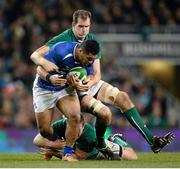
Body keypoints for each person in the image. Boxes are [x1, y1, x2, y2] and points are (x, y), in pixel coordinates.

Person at [30, 9, 174, 154]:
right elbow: (37, 56)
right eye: (80, 26)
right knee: (91, 117)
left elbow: (97, 75)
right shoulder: (62, 40)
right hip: (67, 87)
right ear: (73, 25)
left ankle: (152, 141)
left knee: (122, 97)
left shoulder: (92, 41)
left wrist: (88, 82)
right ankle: (78, 145)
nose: (84, 30)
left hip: (84, 82)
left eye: (86, 26)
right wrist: (46, 65)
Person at [32, 39, 100, 162]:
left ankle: (67, 154)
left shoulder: (88, 62)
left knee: (75, 116)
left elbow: (87, 77)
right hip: (44, 88)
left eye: (93, 59)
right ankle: (55, 146)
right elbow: (39, 69)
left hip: (64, 89)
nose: (91, 62)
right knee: (44, 130)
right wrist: (50, 78)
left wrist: (81, 84)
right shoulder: (61, 50)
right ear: (80, 50)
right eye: (89, 58)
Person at [33, 115, 138, 161]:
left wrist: (53, 153)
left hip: (99, 151)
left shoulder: (89, 135)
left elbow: (77, 157)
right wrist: (52, 144)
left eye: (77, 129)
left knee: (132, 157)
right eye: (71, 127)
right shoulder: (61, 124)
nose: (74, 132)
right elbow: (37, 140)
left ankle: (115, 139)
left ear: (83, 126)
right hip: (79, 151)